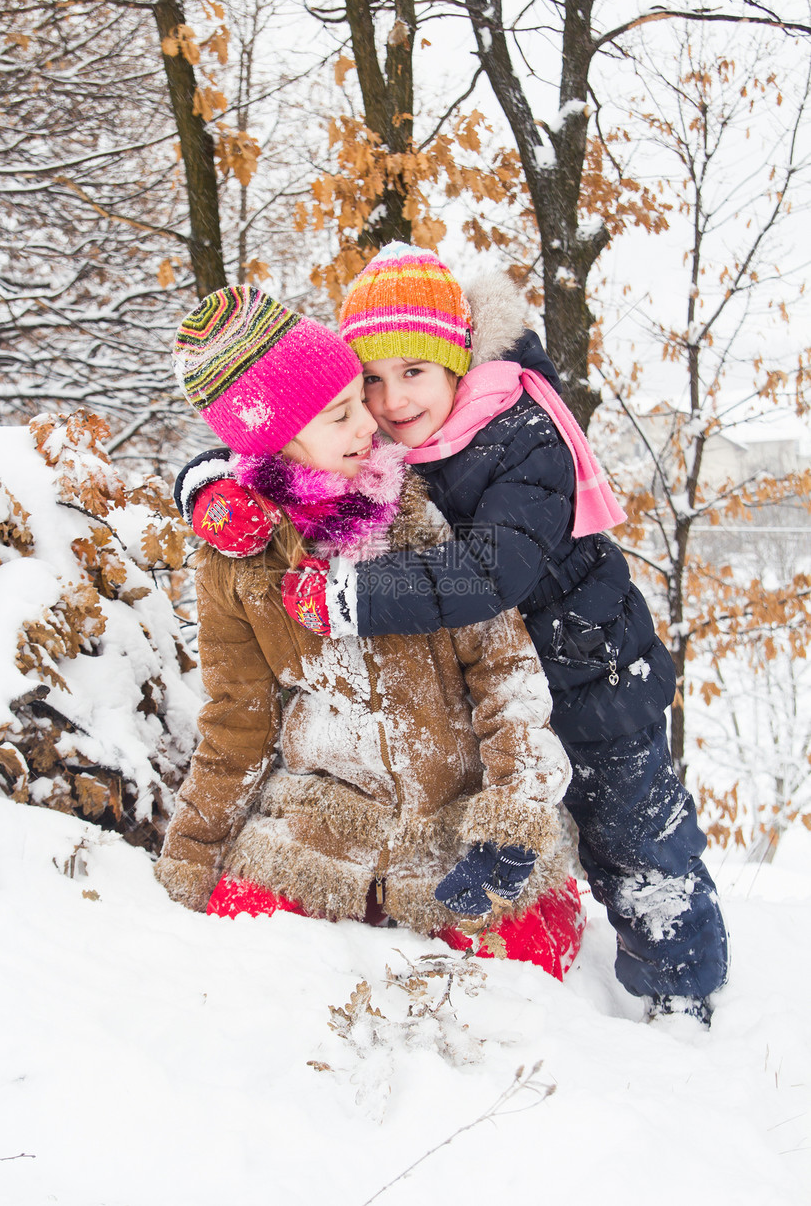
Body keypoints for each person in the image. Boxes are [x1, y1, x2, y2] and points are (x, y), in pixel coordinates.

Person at [178, 248, 730, 1027]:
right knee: (544, 838)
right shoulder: (390, 448)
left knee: (639, 846)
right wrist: (207, 483)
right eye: (369, 379)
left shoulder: (521, 434)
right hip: (494, 696)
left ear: (457, 362)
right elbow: (276, 437)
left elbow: (489, 572)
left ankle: (682, 991)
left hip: (589, 681)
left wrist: (349, 597)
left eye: (413, 372)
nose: (389, 402)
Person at [156, 284, 585, 981]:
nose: (371, 425)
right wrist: (191, 858)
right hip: (325, 820)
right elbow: (236, 718)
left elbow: (505, 674)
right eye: (340, 414)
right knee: (246, 958)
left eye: (362, 399)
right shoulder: (238, 560)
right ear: (277, 441)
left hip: (451, 813)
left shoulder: (415, 510)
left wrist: (513, 813)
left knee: (519, 972)